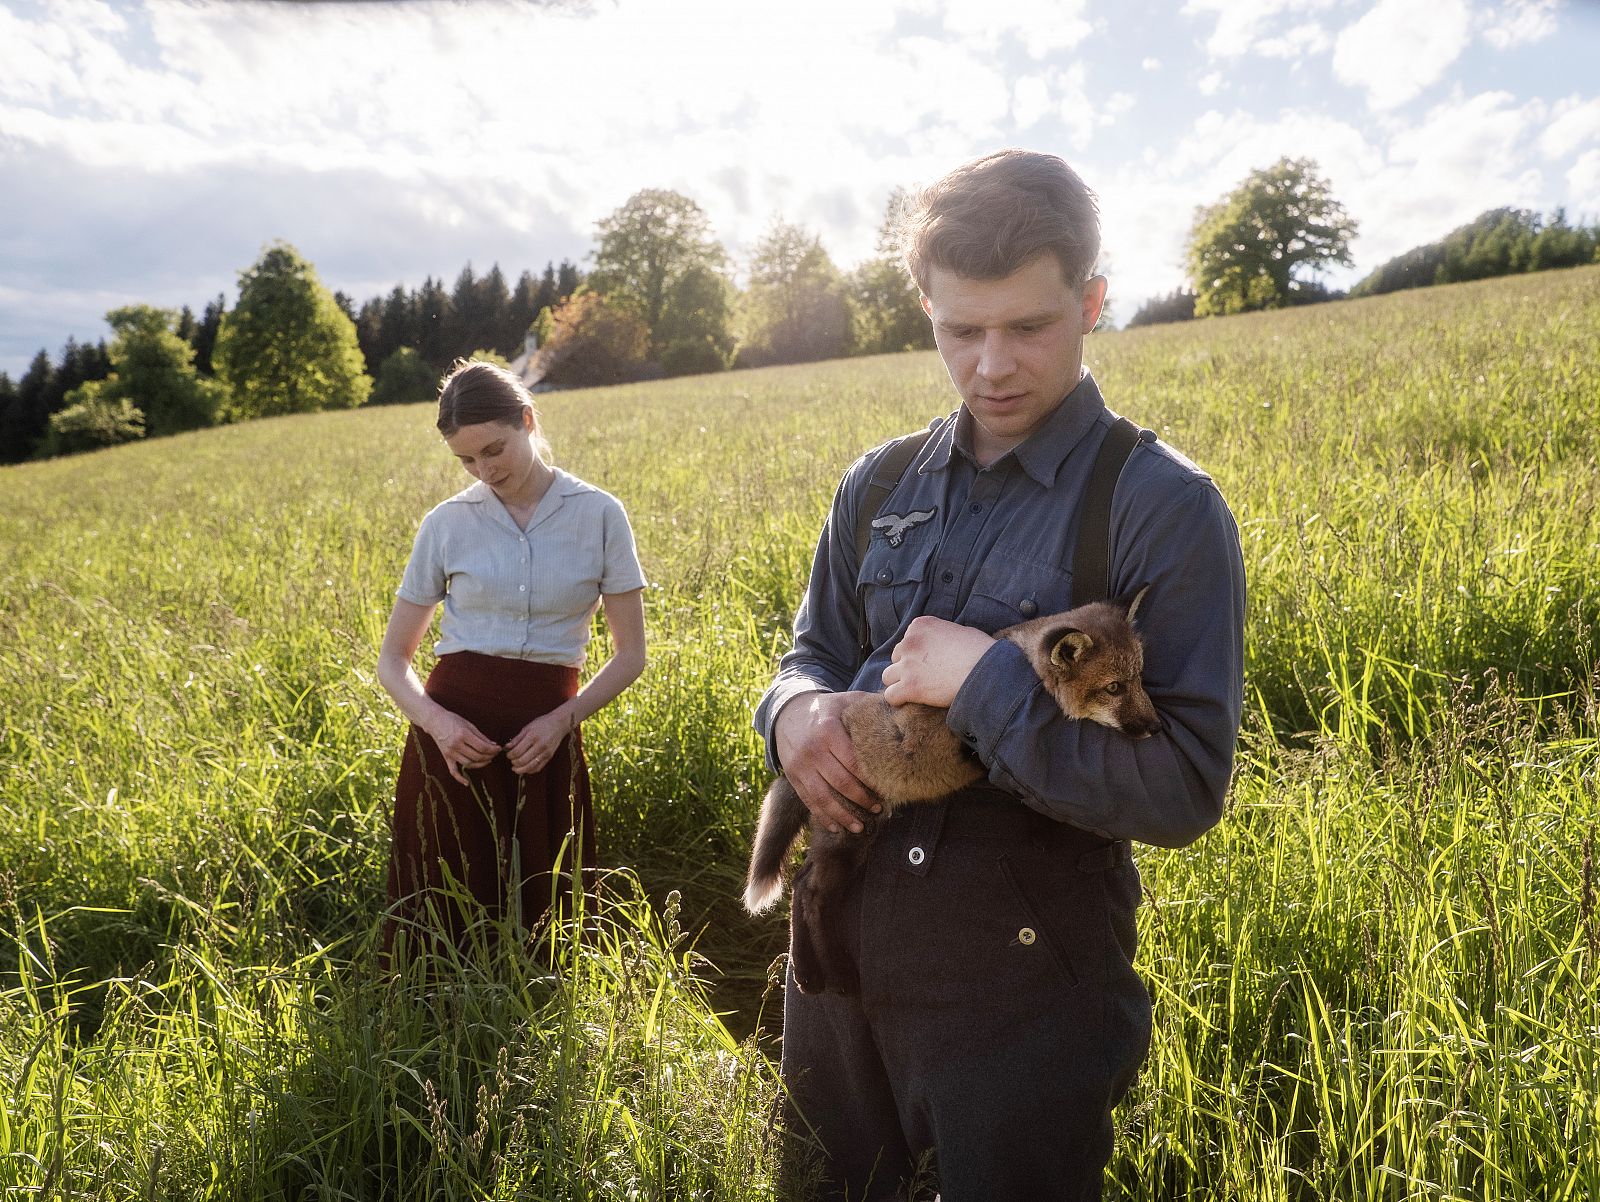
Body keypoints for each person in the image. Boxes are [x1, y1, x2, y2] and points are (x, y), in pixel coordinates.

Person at [753, 150, 1246, 1198]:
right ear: (922, 306)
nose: (991, 366)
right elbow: (811, 652)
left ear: (1093, 301)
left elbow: (1185, 786)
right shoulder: (875, 483)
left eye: (1028, 326)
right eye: (959, 330)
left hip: (1022, 1009)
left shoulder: (1160, 509)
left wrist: (985, 683)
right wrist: (791, 712)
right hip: (833, 973)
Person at [378, 359, 647, 957]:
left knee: (547, 919)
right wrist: (440, 725)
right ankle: (438, 1037)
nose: (484, 470)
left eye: (494, 449)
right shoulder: (445, 524)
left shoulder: (600, 514)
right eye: (467, 461)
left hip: (543, 737)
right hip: (453, 741)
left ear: (528, 419)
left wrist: (560, 722)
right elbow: (393, 661)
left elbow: (631, 656)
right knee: (442, 918)